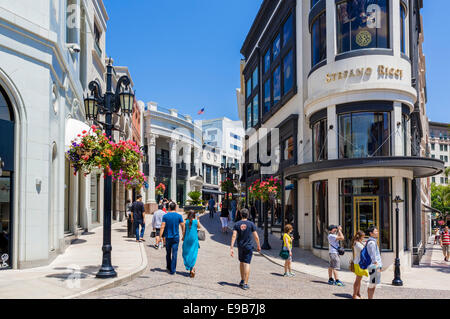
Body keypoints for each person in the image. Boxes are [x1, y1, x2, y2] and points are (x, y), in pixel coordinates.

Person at [230, 208, 261, 290]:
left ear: (240, 215)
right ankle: (245, 283)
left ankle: (242, 280)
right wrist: (258, 245)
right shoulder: (251, 224)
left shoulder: (237, 224)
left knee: (241, 262)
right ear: (248, 215)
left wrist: (231, 247)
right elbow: (256, 237)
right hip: (248, 246)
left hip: (240, 246)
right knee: (247, 263)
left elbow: (234, 236)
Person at [160, 202, 185, 275]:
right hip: (176, 237)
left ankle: (168, 266)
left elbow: (162, 227)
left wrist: (160, 237)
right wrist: (183, 234)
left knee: (168, 253)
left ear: (169, 208)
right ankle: (173, 270)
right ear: (175, 208)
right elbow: (183, 226)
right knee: (174, 253)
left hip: (168, 237)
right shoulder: (179, 216)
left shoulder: (165, 216)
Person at [182, 211, 202, 278]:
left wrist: (183, 237)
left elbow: (184, 231)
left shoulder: (186, 222)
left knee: (186, 253)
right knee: (193, 253)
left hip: (187, 239)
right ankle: (192, 268)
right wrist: (197, 219)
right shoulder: (196, 221)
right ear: (194, 215)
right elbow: (199, 227)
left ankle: (190, 268)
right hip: (194, 239)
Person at [351, 230, 369, 299]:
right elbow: (364, 250)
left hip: (360, 263)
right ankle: (354, 295)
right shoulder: (357, 244)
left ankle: (358, 293)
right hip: (358, 263)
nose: (363, 238)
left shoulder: (359, 242)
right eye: (363, 237)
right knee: (357, 280)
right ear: (360, 237)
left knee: (359, 279)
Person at [366, 226, 382, 299]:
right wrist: (377, 266)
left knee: (374, 284)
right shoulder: (372, 243)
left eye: (377, 231)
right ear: (371, 233)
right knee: (372, 284)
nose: (377, 232)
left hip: (374, 266)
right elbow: (373, 256)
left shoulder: (373, 241)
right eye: (376, 231)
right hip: (374, 266)